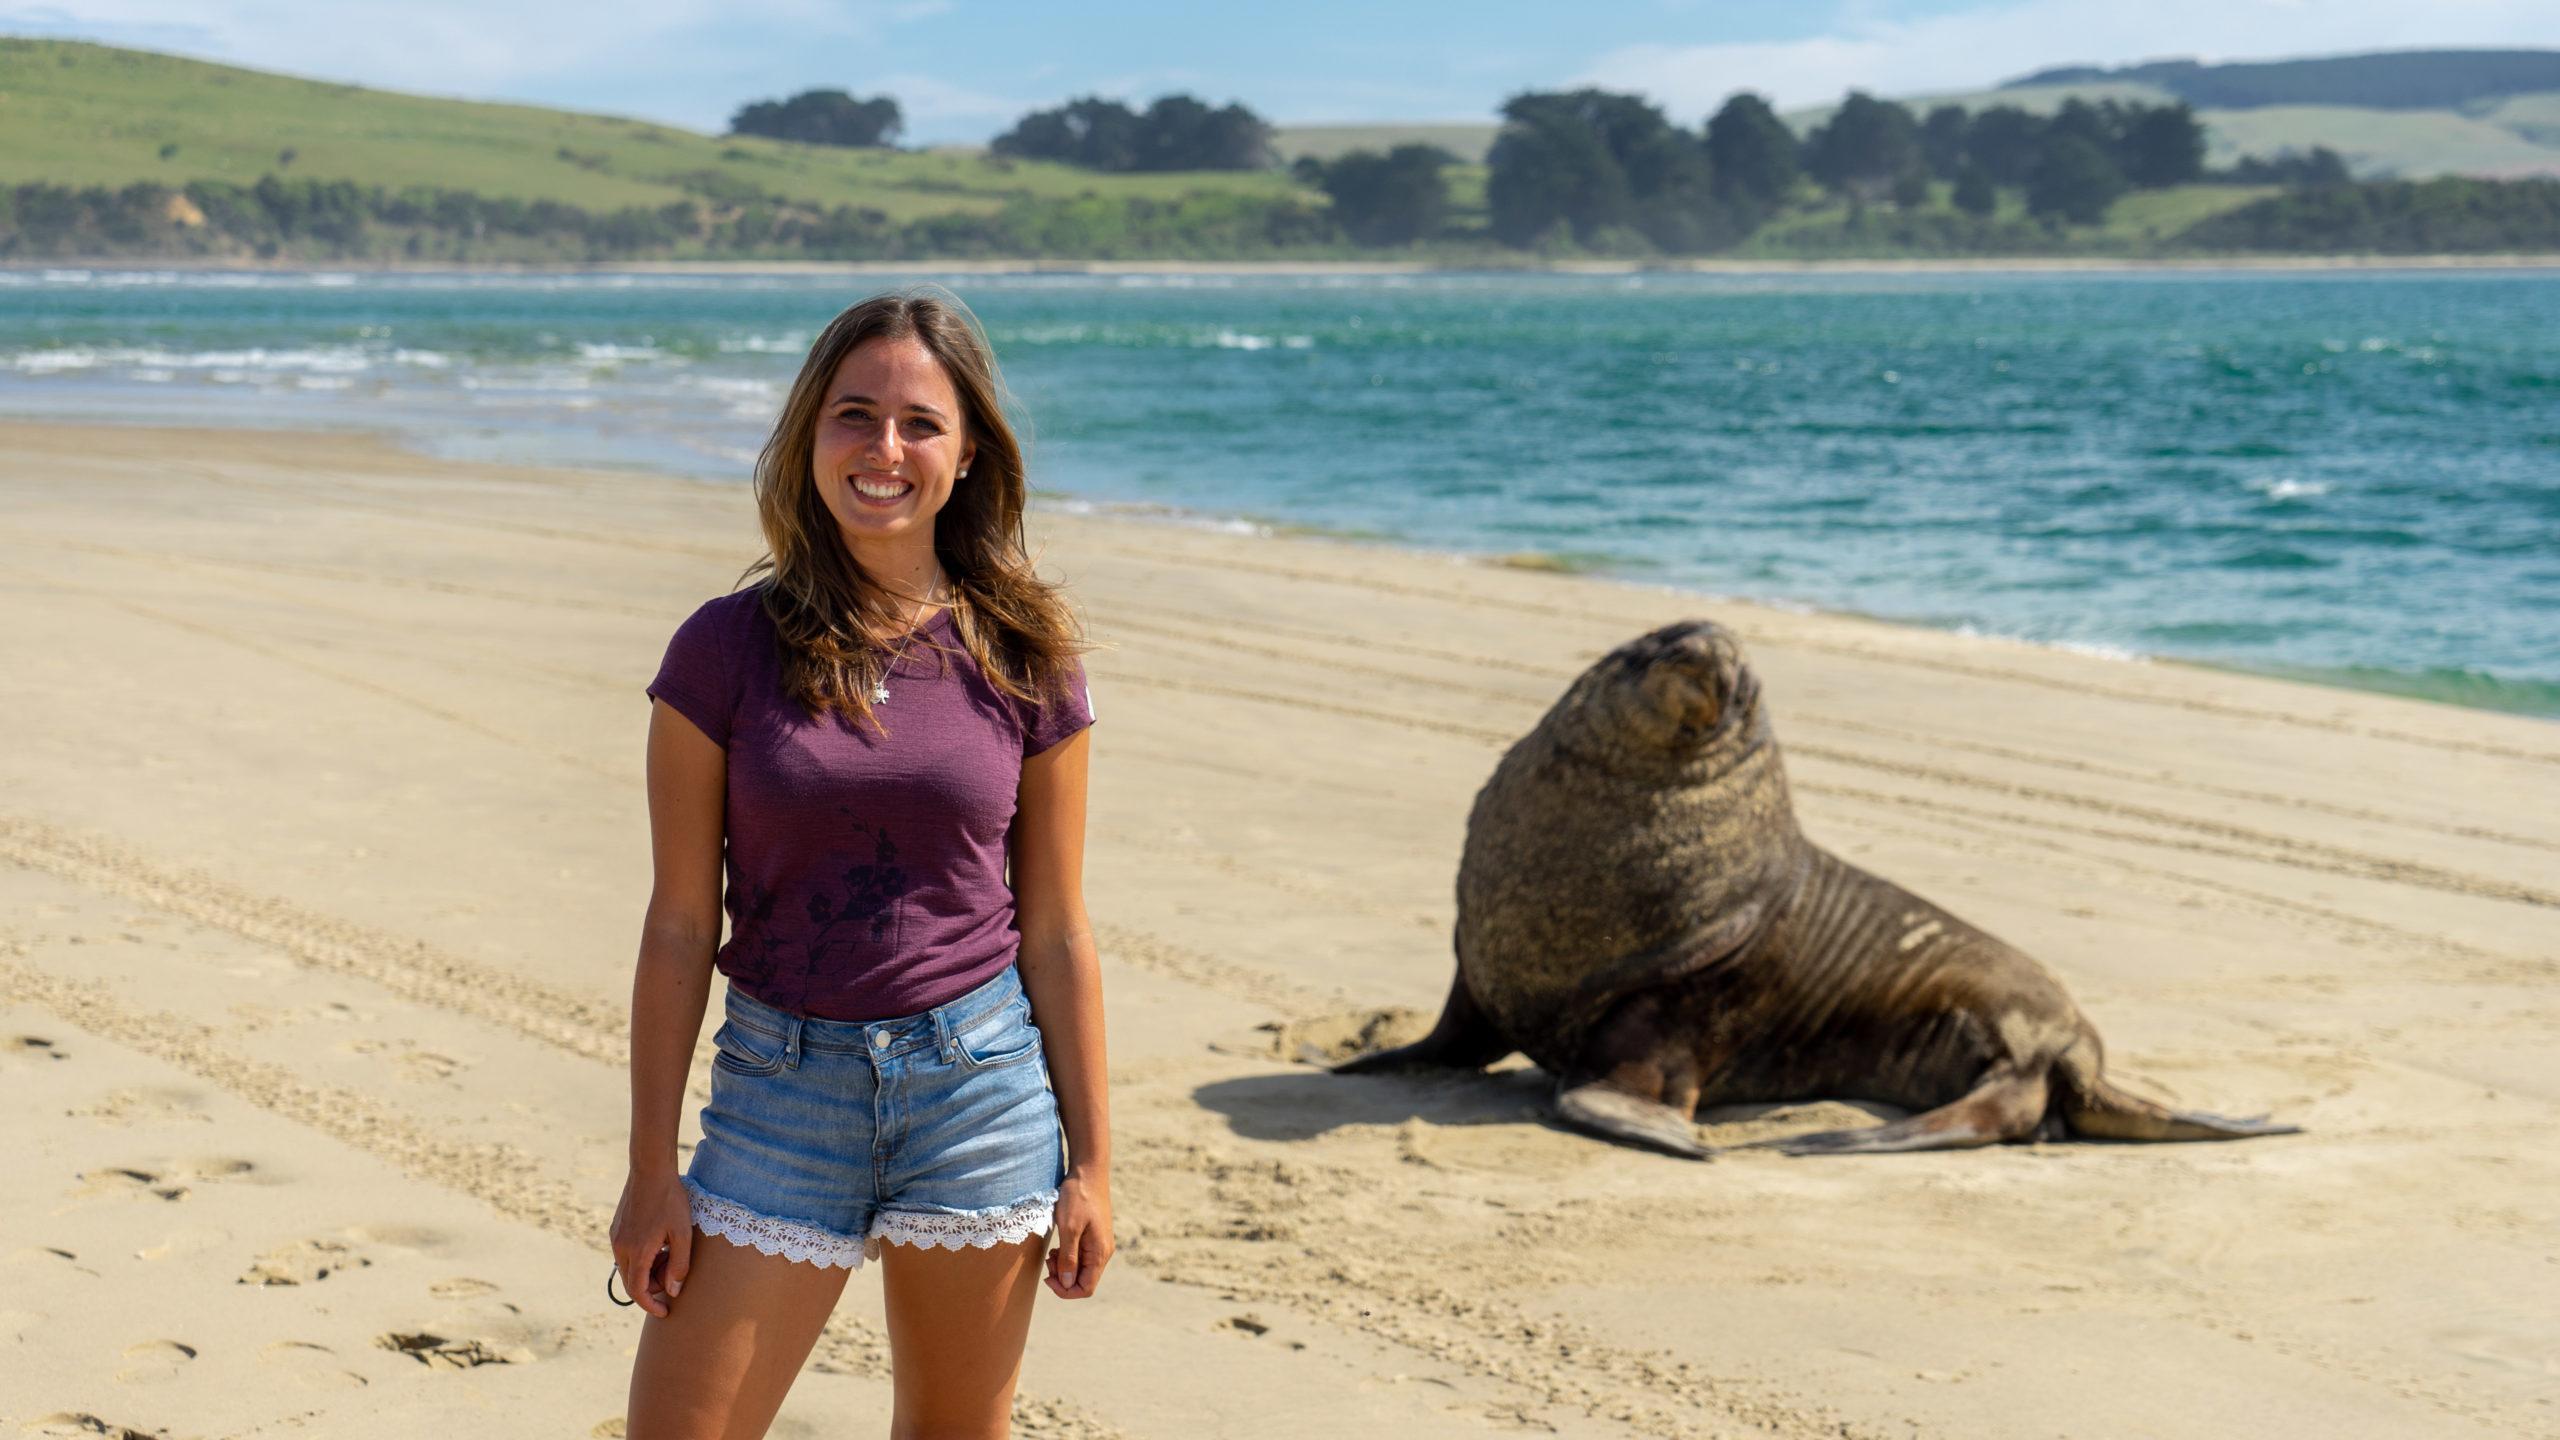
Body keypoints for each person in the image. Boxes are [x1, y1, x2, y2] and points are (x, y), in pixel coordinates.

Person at [611, 287, 1111, 1440]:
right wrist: (649, 1169)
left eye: (920, 423)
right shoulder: (724, 647)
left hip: (979, 1090)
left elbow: (1057, 929)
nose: (885, 449)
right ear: (809, 435)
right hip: (779, 1096)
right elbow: (681, 922)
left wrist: (1094, 1165)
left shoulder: (1027, 653)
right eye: (854, 415)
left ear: (968, 450)